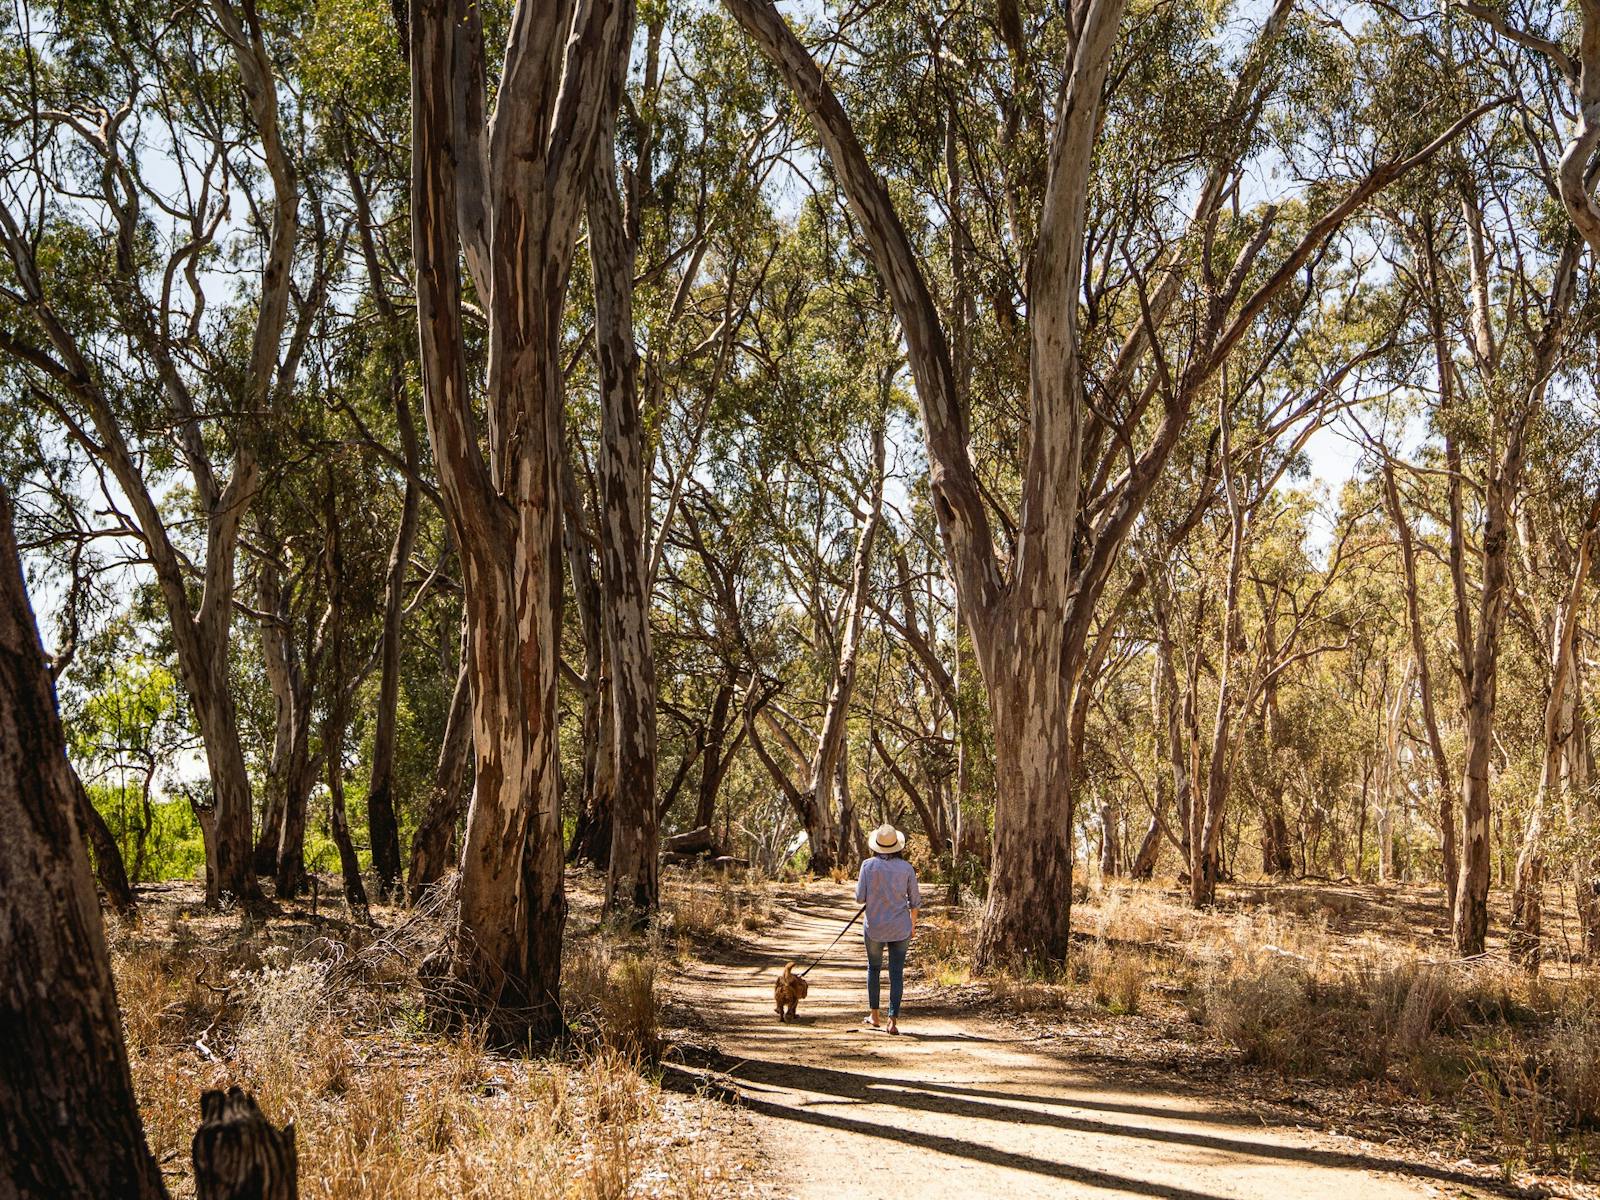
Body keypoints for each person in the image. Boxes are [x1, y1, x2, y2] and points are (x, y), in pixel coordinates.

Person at [855, 823, 921, 1034]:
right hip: (900, 927)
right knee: (896, 973)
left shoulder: (867, 866)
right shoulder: (907, 868)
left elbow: (859, 898)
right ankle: (892, 1020)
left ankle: (874, 1015)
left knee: (873, 968)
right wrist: (913, 924)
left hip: (874, 926)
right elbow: (915, 901)